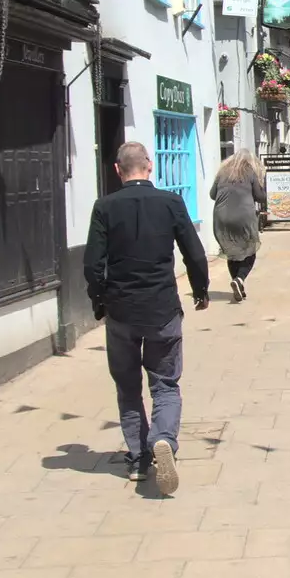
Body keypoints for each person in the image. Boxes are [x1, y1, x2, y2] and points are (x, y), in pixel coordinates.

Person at [84, 141, 209, 495]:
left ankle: (138, 459)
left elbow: (92, 264)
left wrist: (99, 301)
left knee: (127, 386)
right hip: (162, 309)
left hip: (121, 311)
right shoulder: (171, 202)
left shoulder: (104, 207)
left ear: (117, 170)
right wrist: (200, 291)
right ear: (150, 167)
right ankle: (164, 438)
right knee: (165, 383)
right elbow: (194, 253)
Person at [210, 150, 265, 303]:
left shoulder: (223, 172)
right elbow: (260, 197)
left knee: (231, 251)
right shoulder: (250, 172)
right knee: (250, 249)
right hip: (243, 216)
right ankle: (240, 278)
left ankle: (237, 282)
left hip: (221, 217)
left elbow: (212, 195)